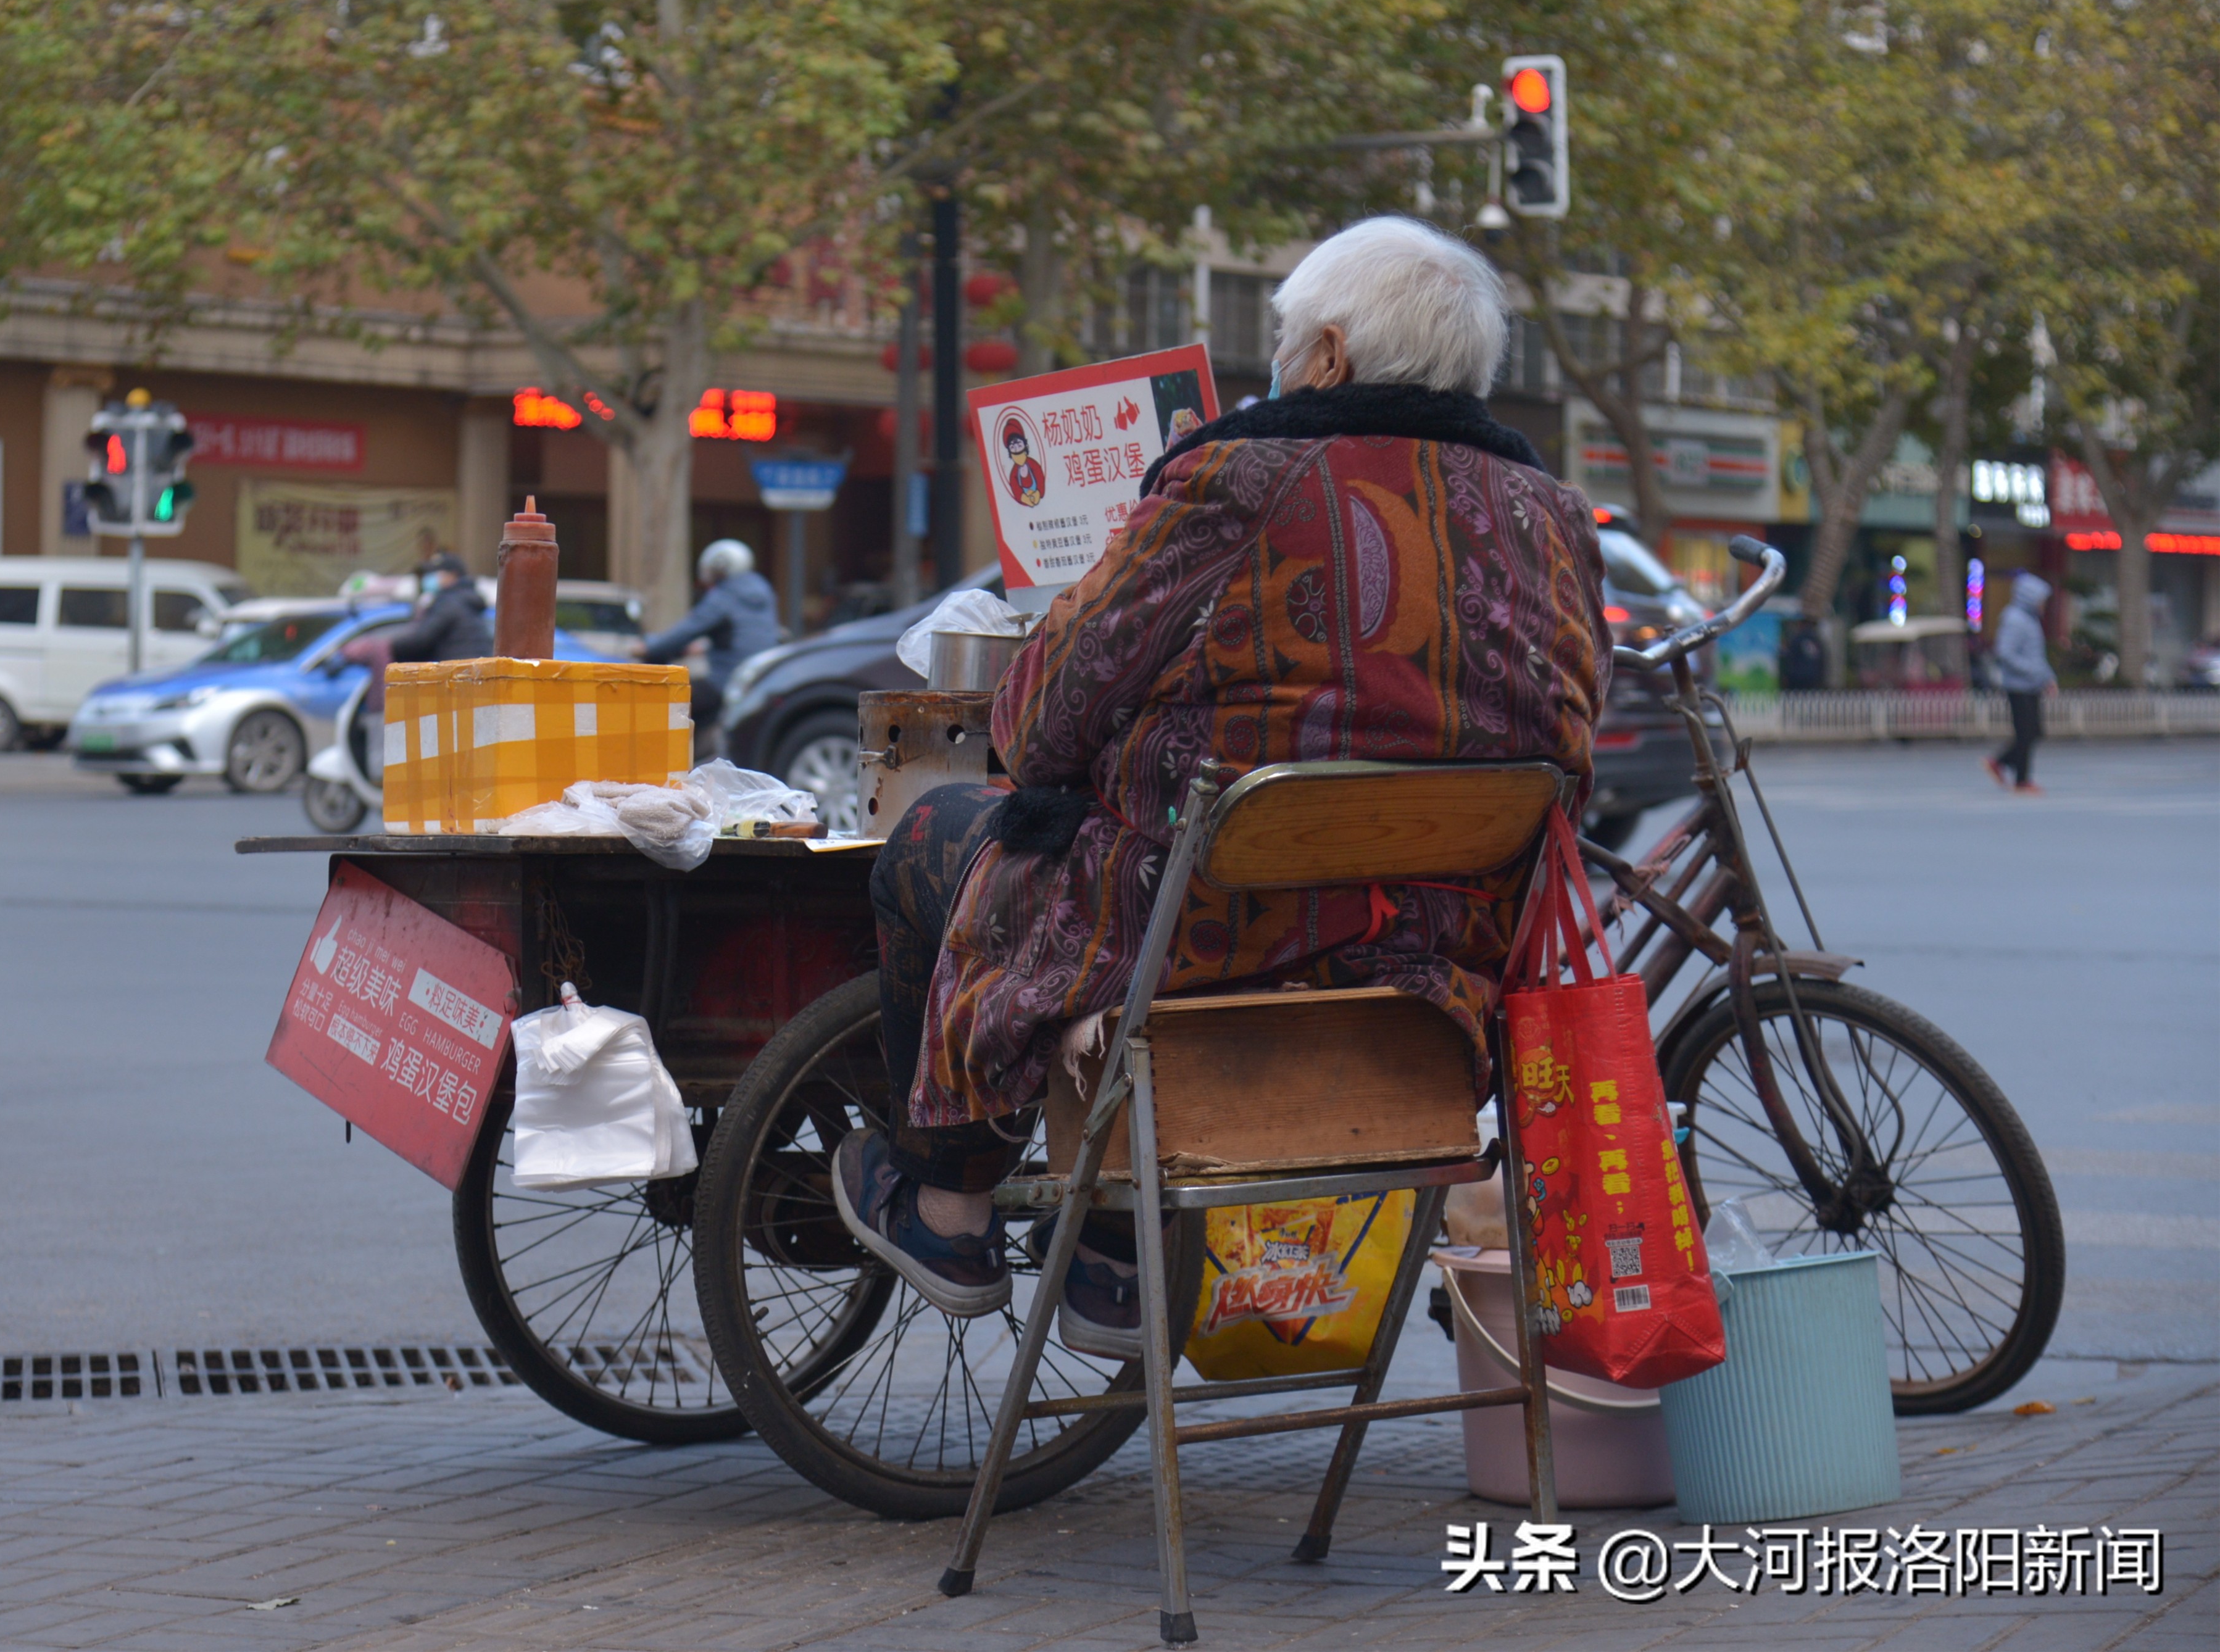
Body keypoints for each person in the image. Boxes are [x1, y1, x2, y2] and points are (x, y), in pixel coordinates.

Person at [836, 217, 1611, 1355]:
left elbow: (1037, 724)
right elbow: (1574, 750)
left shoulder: (1235, 475)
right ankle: (1109, 1254)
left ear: (1332, 357)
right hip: (1437, 1000)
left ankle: (946, 1204)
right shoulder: (1554, 517)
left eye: (1291, 344)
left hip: (1201, 964)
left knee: (934, 834)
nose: (1279, 367)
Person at [642, 539, 781, 724]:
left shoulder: (724, 596)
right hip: (755, 681)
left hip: (727, 682)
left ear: (719, 568)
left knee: (663, 698)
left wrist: (649, 647)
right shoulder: (763, 592)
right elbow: (742, 636)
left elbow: (685, 632)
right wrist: (706, 647)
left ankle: (673, 751)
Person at [1985, 571, 2056, 794]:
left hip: (2031, 684)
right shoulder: (2015, 619)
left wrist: (2047, 677)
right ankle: (2021, 779)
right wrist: (2034, 673)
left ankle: (2003, 764)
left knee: (2034, 731)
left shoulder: (2030, 620)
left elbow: (2036, 654)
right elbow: (2006, 653)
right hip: (2018, 685)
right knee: (2027, 733)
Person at [386, 552, 493, 662]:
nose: (431, 579)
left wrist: (387, 647)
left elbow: (422, 639)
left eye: (436, 574)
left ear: (452, 575)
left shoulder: (449, 603)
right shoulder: (466, 599)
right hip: (474, 669)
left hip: (461, 671)